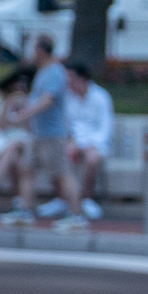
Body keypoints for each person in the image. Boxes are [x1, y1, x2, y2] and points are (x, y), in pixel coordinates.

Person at [1, 34, 84, 229]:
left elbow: (47, 101)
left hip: (52, 135)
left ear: (41, 50)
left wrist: (23, 115)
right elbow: (36, 99)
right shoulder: (43, 72)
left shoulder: (55, 72)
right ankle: (26, 211)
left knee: (62, 174)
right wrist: (20, 104)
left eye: (34, 48)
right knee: (26, 169)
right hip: (38, 134)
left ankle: (76, 215)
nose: (32, 52)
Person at [62, 60, 114, 222]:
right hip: (74, 141)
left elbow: (105, 128)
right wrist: (72, 142)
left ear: (82, 80)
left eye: (72, 79)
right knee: (59, 155)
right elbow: (66, 125)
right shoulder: (68, 98)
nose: (68, 83)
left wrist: (87, 145)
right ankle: (64, 199)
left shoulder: (100, 97)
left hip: (95, 143)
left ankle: (86, 199)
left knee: (91, 159)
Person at [0, 67, 34, 196]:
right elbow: (1, 127)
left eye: (23, 88)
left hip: (26, 140)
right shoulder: (3, 102)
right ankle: (18, 198)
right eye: (17, 88)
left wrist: (25, 110)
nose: (19, 91)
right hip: (7, 139)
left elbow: (31, 128)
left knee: (14, 144)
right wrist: (8, 105)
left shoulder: (32, 103)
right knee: (14, 160)